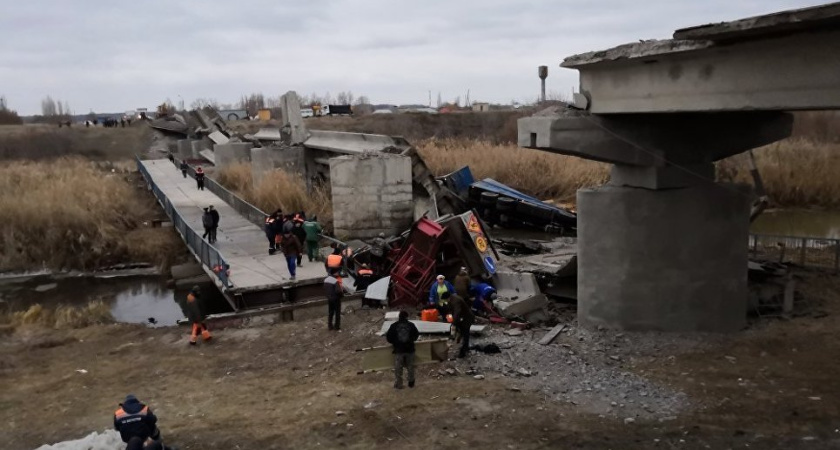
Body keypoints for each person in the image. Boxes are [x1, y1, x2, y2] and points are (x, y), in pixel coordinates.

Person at [386, 310, 420, 389]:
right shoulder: (411, 325)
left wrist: (395, 343)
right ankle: (411, 383)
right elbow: (416, 335)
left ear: (399, 317)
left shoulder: (394, 326)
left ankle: (399, 384)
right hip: (410, 349)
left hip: (399, 350)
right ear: (407, 317)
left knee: (398, 368)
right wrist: (410, 340)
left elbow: (389, 338)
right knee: (410, 367)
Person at [443, 291, 474, 358]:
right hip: (461, 318)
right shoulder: (452, 298)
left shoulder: (456, 301)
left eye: (445, 299)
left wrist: (454, 323)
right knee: (460, 331)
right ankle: (461, 344)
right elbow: (451, 309)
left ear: (448, 298)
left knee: (465, 333)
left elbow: (457, 312)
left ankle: (463, 351)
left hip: (467, 318)